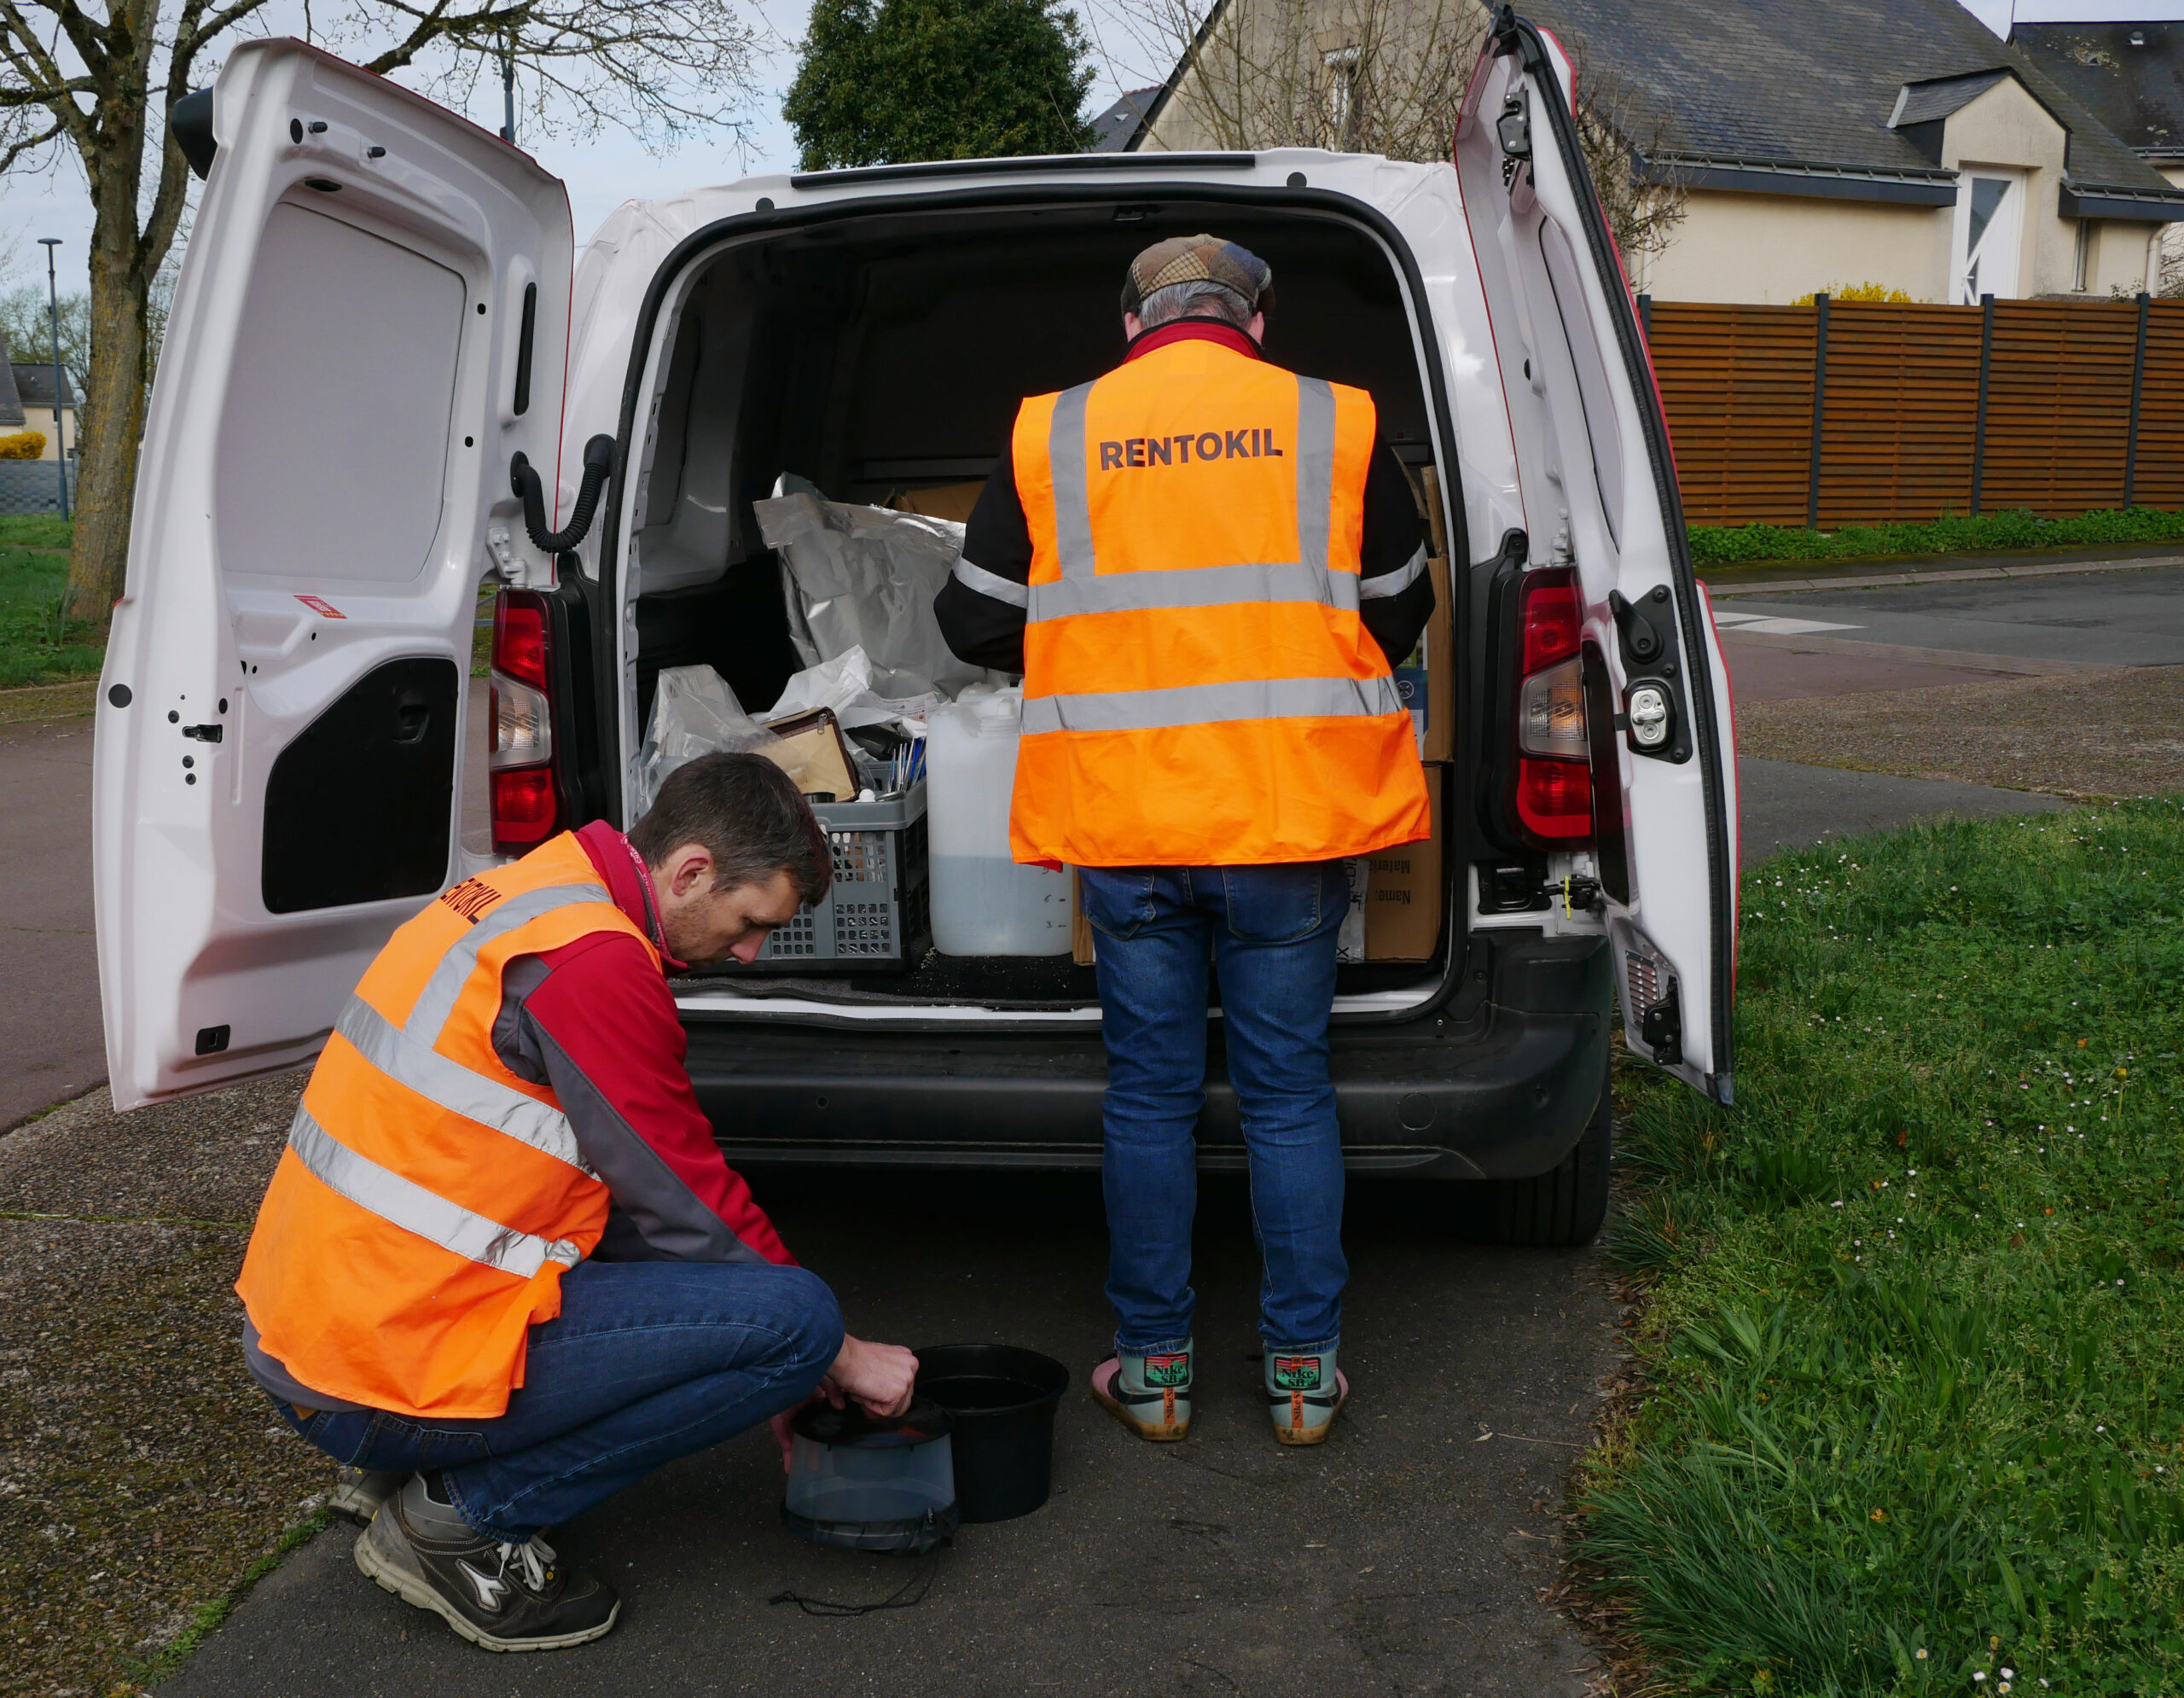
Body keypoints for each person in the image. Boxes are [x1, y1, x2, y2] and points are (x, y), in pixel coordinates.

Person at [236, 752, 919, 1652]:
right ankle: (458, 1515)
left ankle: (405, 1459)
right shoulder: (594, 963)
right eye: (753, 922)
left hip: (319, 1332)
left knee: (744, 1303)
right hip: (375, 1367)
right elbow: (688, 1199)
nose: (751, 952)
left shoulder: (528, 891)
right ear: (691, 872)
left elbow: (626, 1195)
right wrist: (833, 1355)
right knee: (793, 1321)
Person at [934, 235, 1434, 1448]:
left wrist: (1088, 651)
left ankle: (1155, 1373)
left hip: (1128, 818)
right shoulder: (1336, 419)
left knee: (1150, 1099)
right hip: (1286, 819)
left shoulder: (1055, 430)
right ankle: (1304, 1377)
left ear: (1132, 327)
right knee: (1286, 1093)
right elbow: (1404, 605)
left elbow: (970, 620)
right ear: (1257, 319)